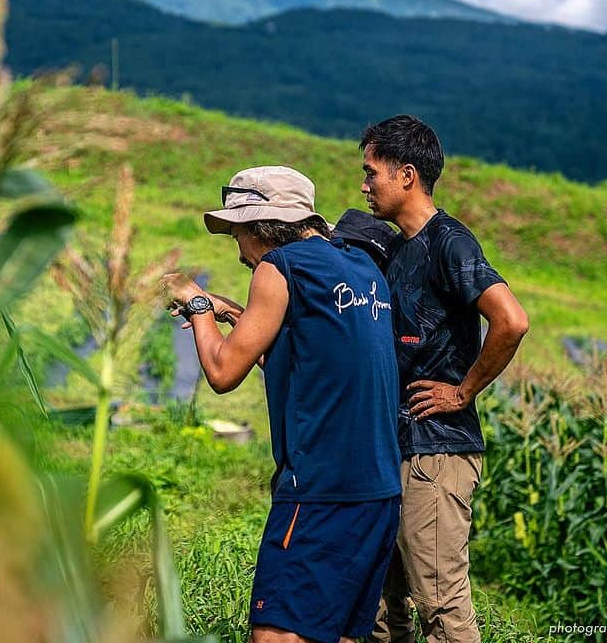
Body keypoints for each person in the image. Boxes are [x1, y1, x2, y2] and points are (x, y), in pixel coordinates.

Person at [161, 165, 402, 643]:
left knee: (275, 635)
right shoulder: (360, 266)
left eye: (237, 233)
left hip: (318, 491)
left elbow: (224, 372)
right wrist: (234, 312)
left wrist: (197, 304)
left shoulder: (280, 268)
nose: (239, 251)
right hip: (378, 491)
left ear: (259, 225)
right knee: (338, 634)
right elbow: (314, 362)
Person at [359, 115, 529, 643]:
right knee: (385, 607)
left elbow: (512, 319)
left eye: (372, 173)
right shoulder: (396, 248)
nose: (364, 186)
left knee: (441, 605)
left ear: (407, 175)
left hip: (437, 452)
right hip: (395, 450)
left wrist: (463, 390)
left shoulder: (449, 242)